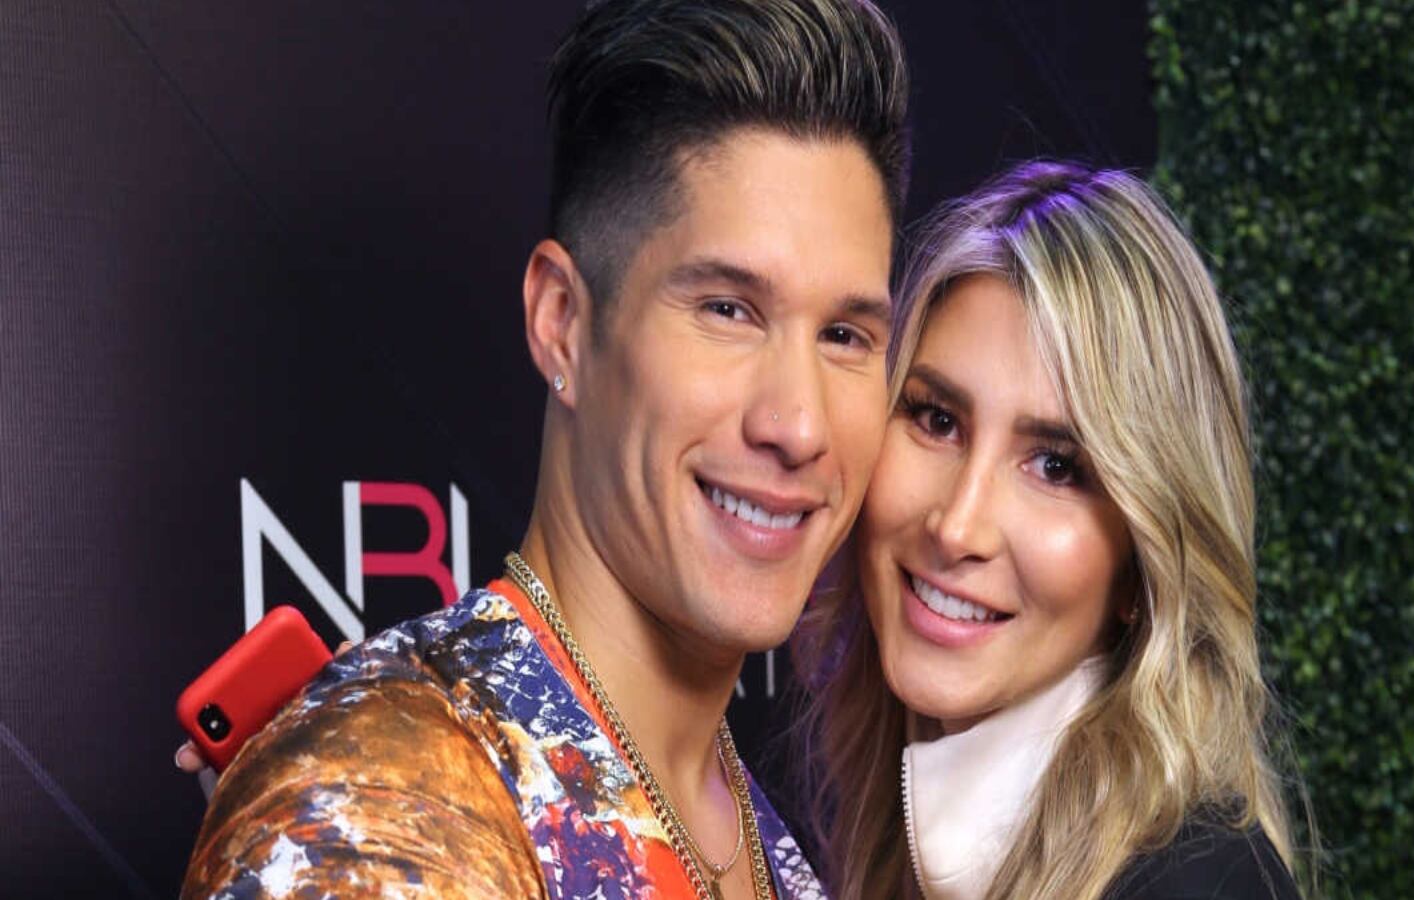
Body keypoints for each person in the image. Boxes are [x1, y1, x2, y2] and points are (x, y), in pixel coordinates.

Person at [181, 1, 908, 898]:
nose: (798, 426)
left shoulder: (760, 840)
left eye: (844, 335)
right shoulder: (385, 797)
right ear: (562, 322)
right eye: (728, 310)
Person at [793, 161, 1309, 899]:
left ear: (1141, 568)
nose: (957, 527)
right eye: (937, 419)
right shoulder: (912, 825)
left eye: (1057, 468)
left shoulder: (1196, 884)